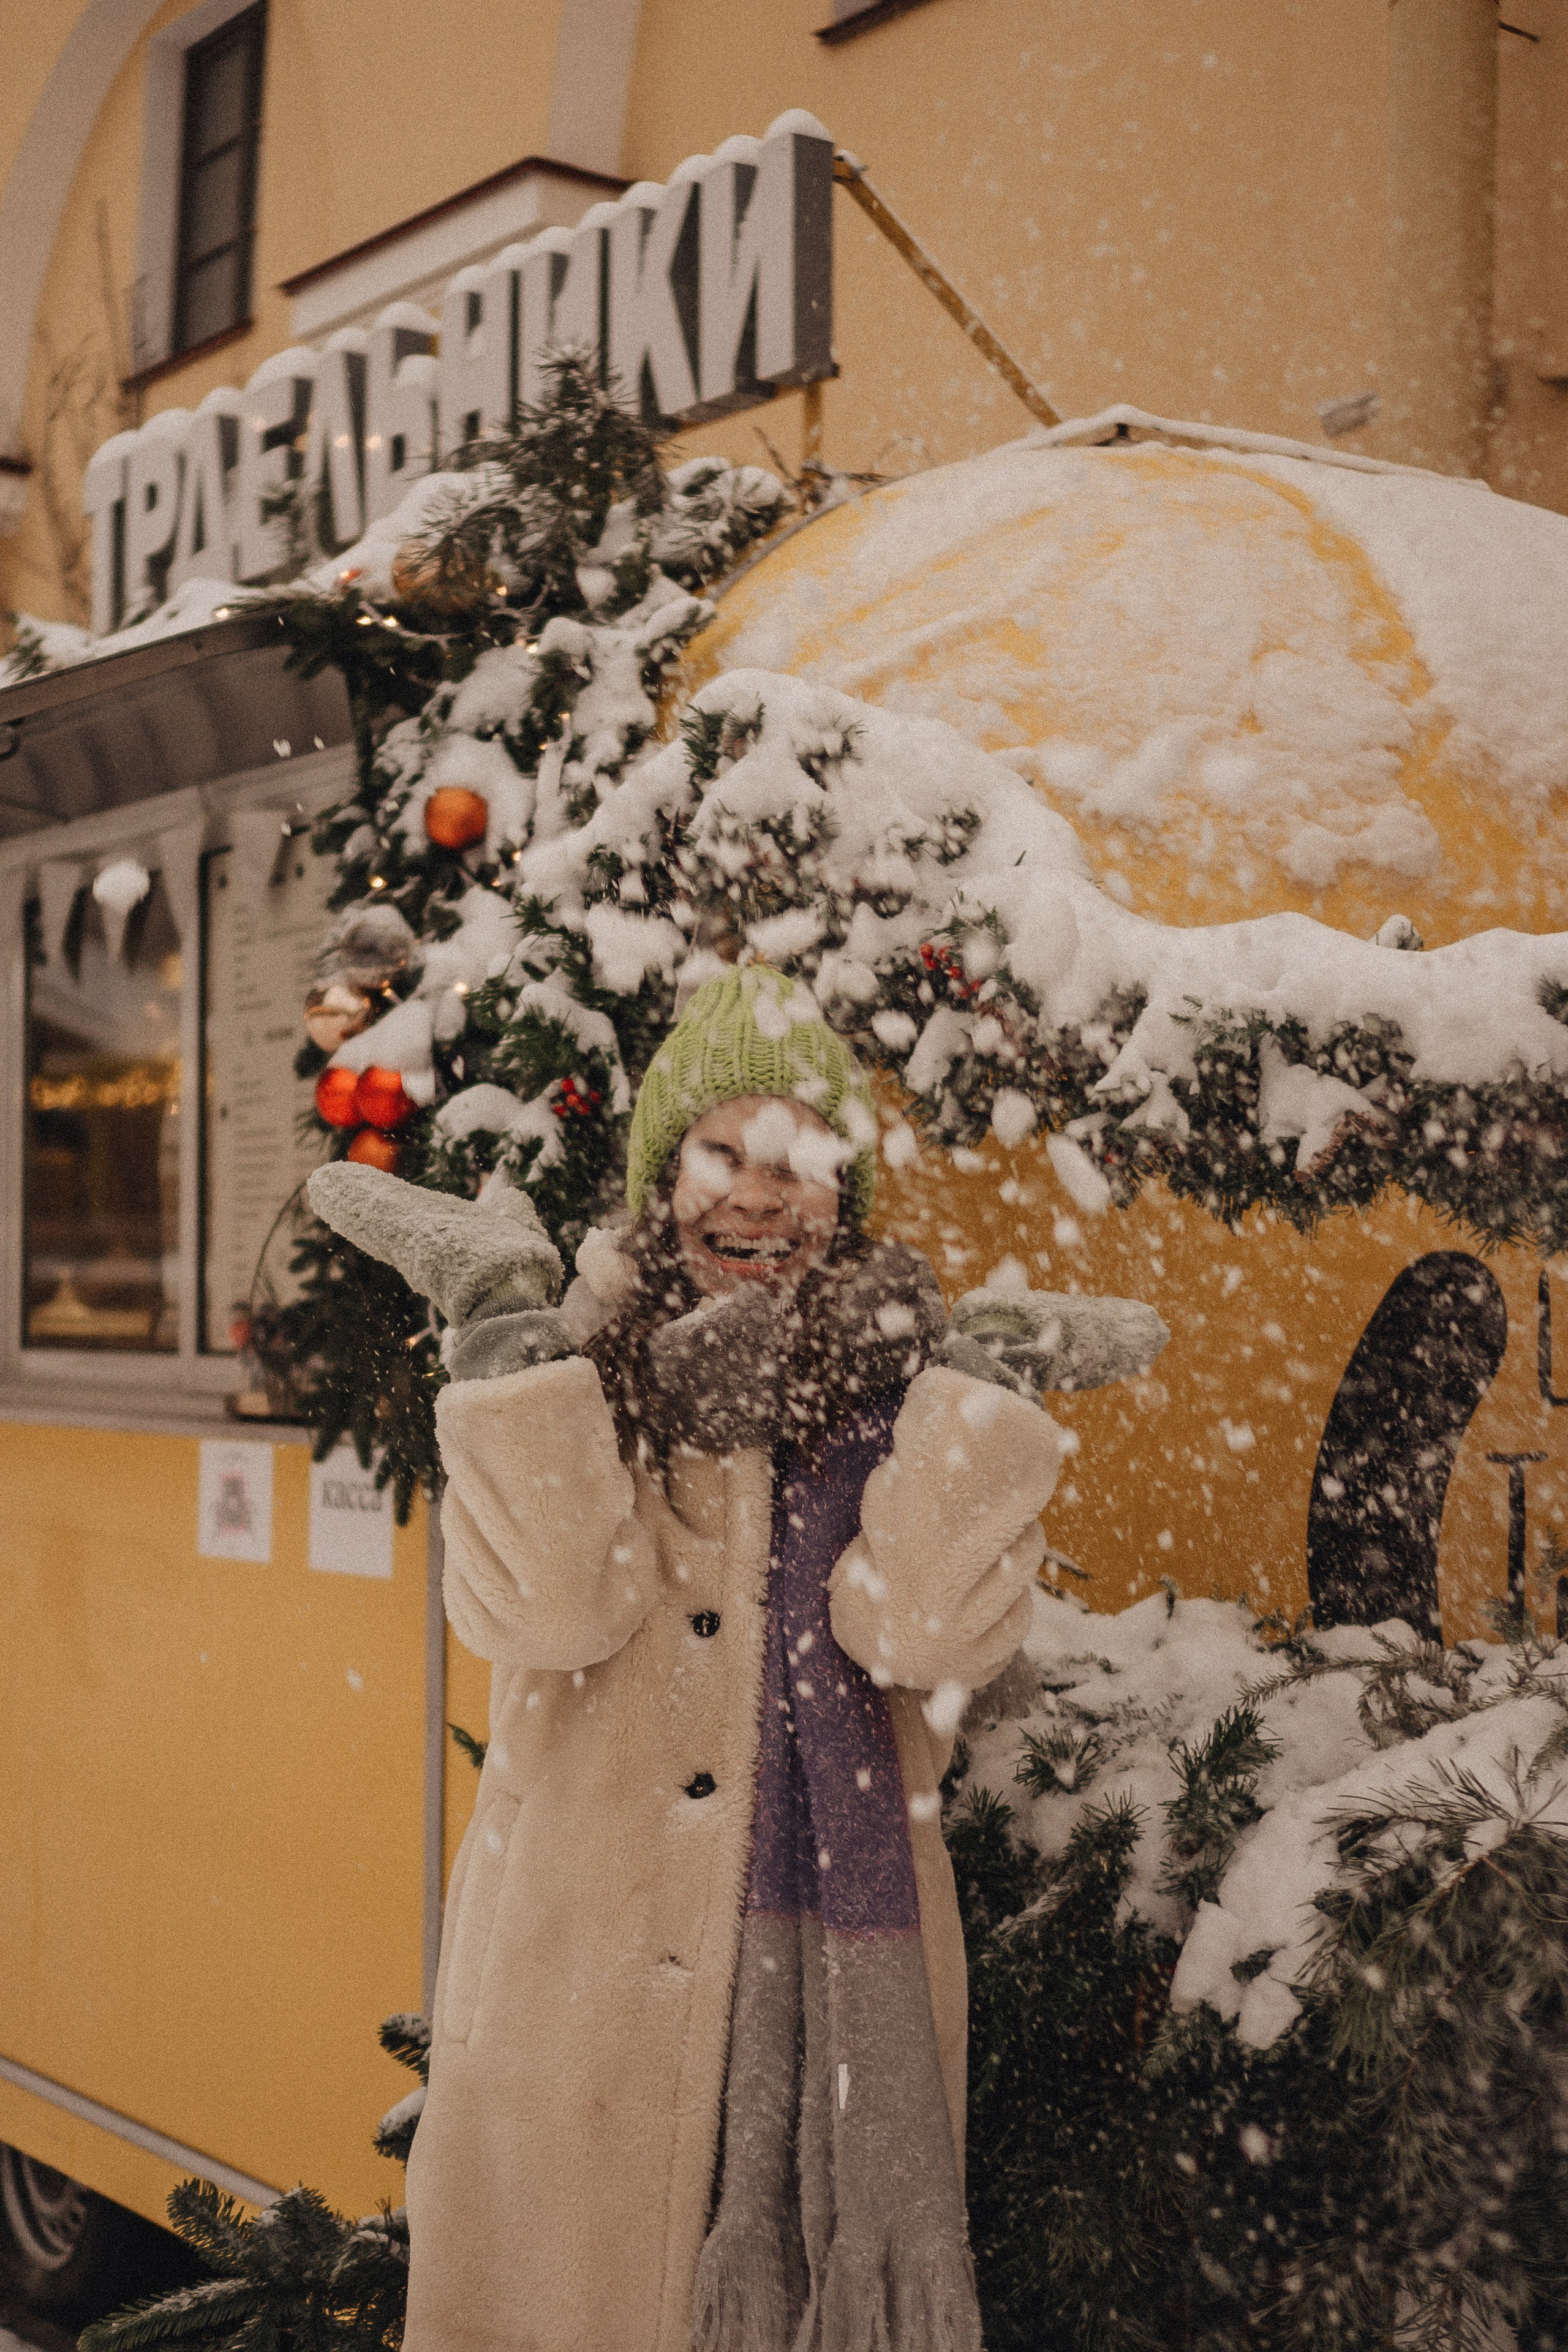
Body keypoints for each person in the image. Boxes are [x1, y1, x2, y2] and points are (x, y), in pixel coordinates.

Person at [309, 965, 1065, 2352]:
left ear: (843, 1191)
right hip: (576, 2002)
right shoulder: (578, 1365)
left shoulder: (905, 1399)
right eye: (723, 1151)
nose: (758, 1194)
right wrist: (506, 1348)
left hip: (831, 2013)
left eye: (798, 1157)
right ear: (664, 1179)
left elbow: (920, 1638)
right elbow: (551, 1613)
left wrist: (983, 1418)